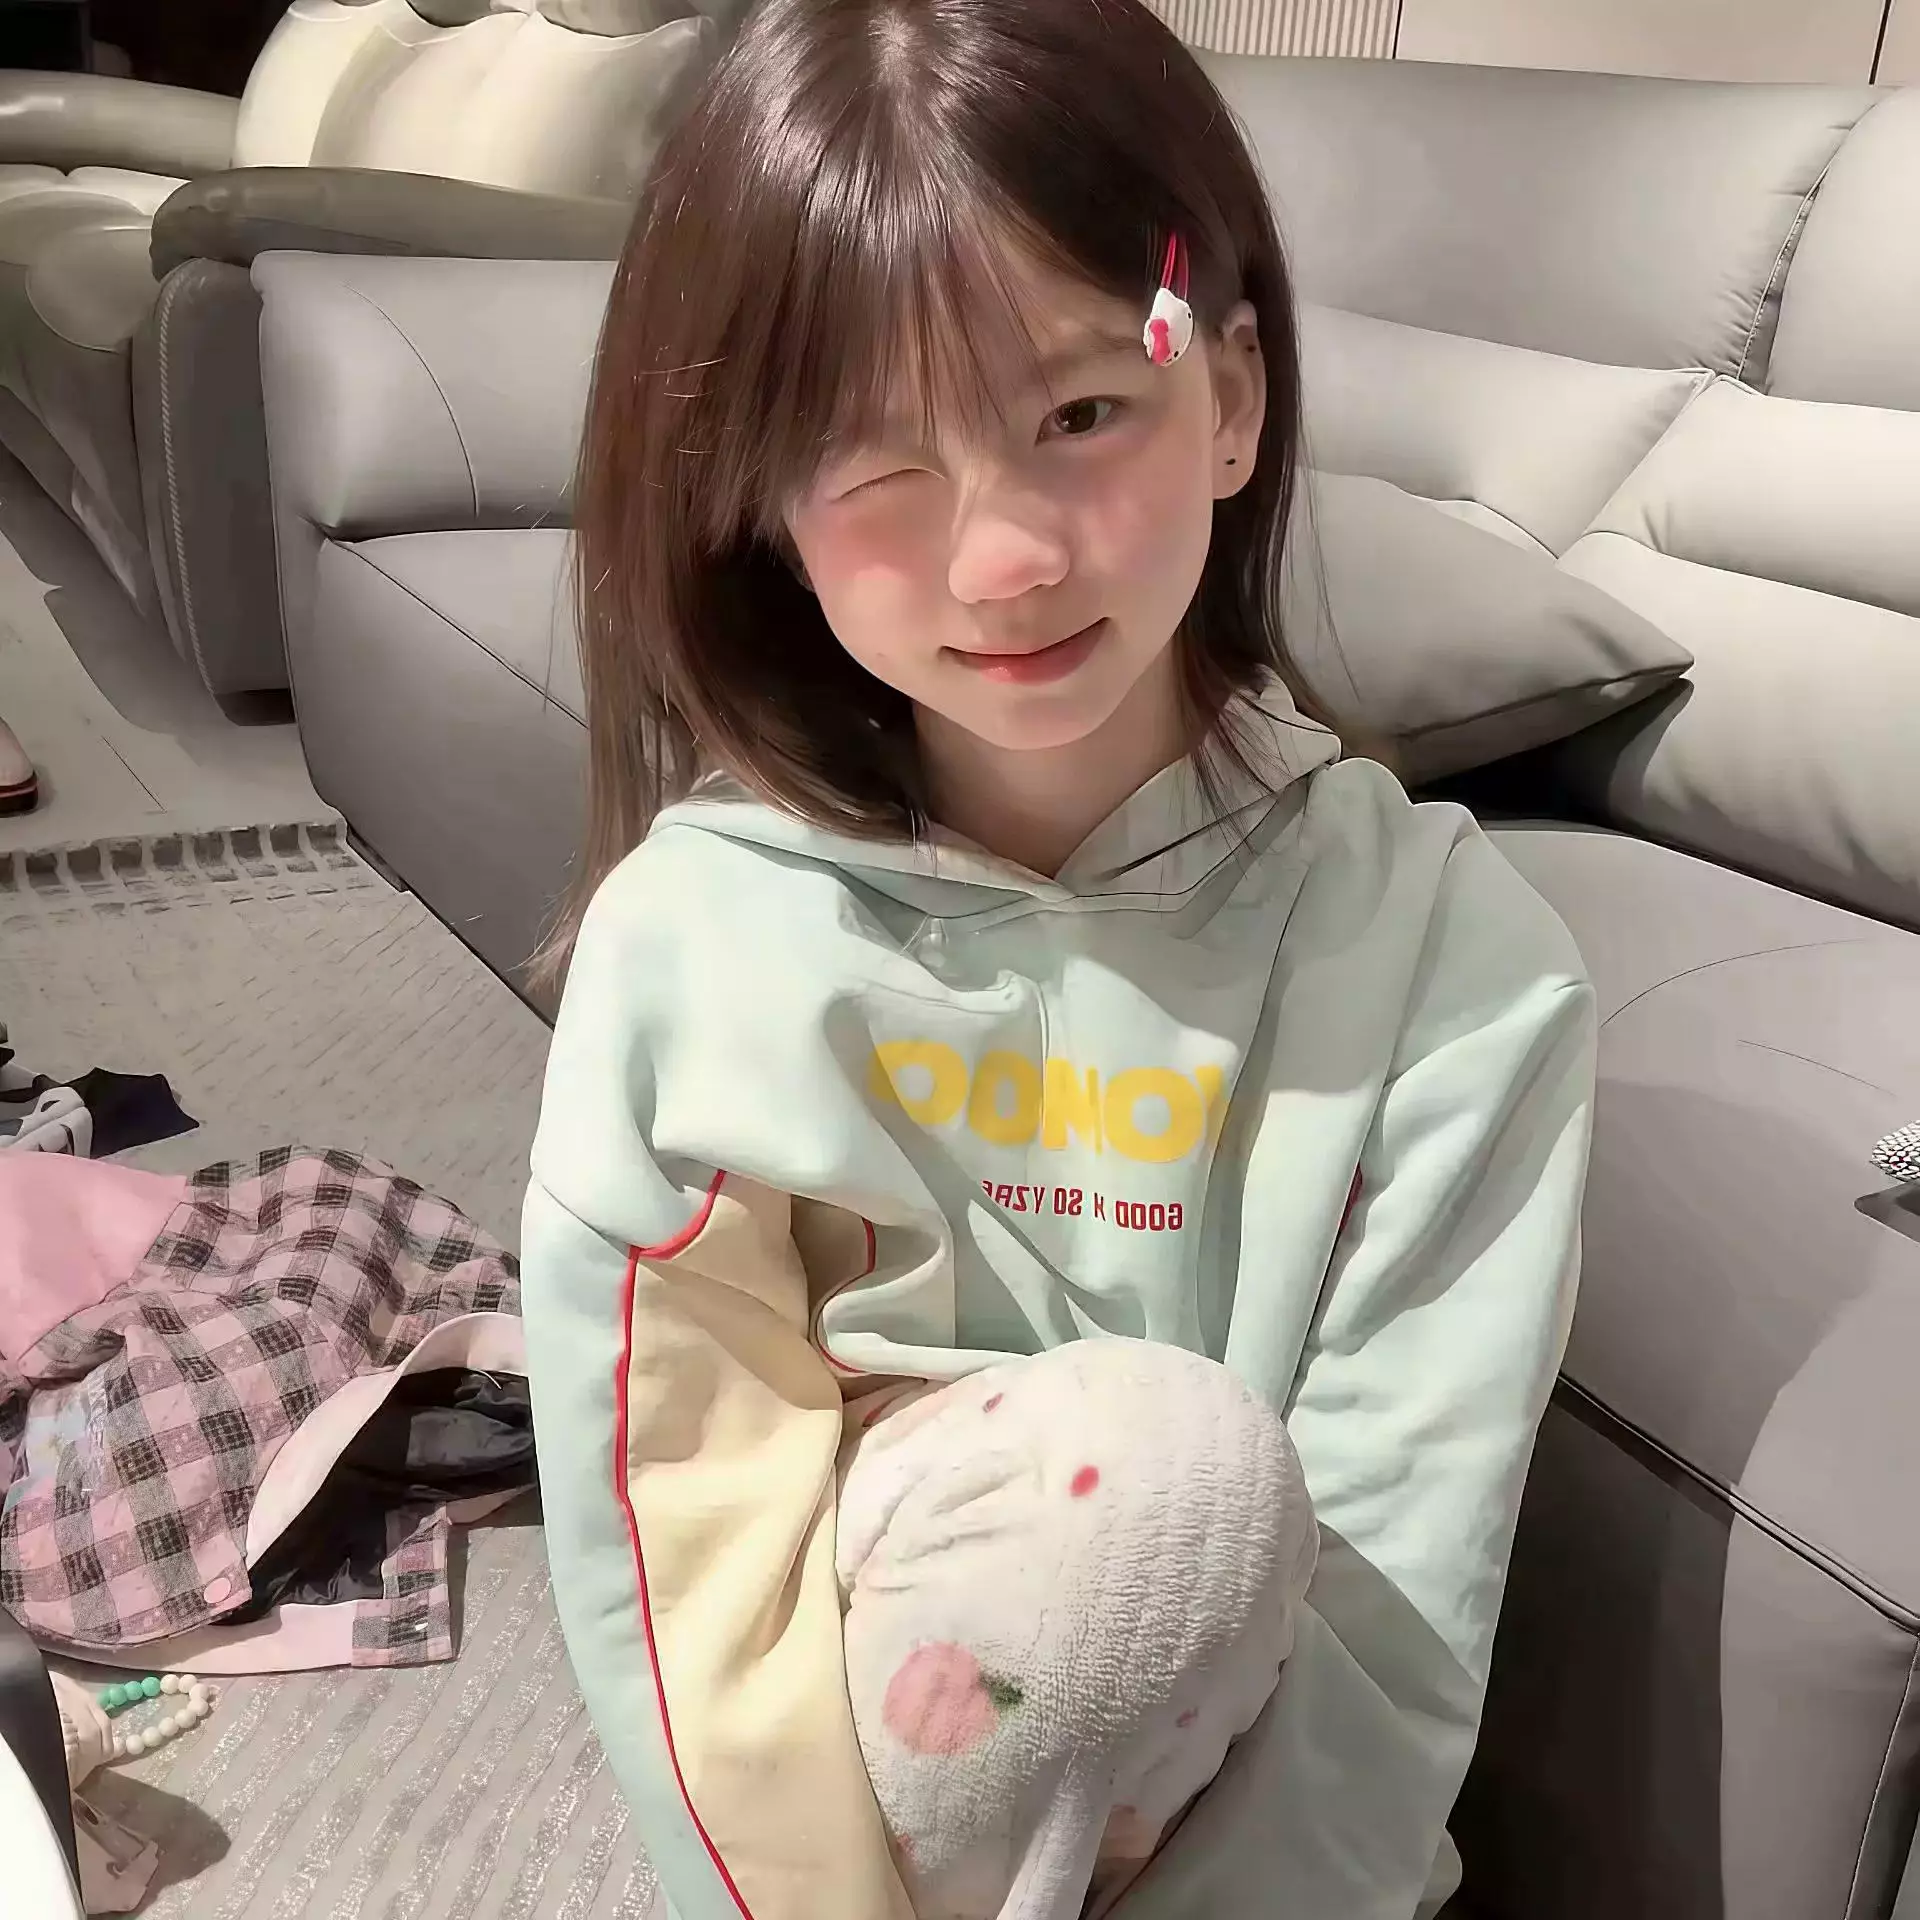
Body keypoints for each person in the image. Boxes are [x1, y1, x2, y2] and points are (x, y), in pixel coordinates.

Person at [521, 1, 1597, 1916]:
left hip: (1262, 1841)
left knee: (1174, 1500)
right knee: (1144, 1484)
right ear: (758, 505)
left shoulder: (1462, 970)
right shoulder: (693, 942)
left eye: (1083, 413)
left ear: (1231, 398)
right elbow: (677, 1560)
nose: (1005, 554)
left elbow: (1395, 1622)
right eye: (875, 463)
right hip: (863, 1823)